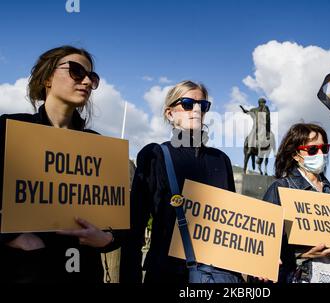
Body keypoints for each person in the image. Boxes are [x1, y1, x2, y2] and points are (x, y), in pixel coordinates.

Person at [0, 45, 120, 283]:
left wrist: (108, 240)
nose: (86, 81)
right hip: (25, 270)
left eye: (92, 77)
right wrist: (12, 237)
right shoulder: (8, 129)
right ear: (47, 78)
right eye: (76, 71)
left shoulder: (99, 145)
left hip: (85, 273)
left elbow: (115, 214)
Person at [120, 80, 241, 284]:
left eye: (203, 105)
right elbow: (135, 226)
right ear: (170, 113)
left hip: (215, 274)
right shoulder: (155, 154)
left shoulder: (221, 160)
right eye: (187, 104)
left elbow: (231, 222)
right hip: (166, 272)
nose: (196, 109)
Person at [261, 123, 330, 283]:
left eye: (324, 148)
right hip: (301, 277)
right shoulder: (281, 188)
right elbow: (262, 245)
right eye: (313, 149)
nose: (320, 154)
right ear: (295, 154)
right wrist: (301, 255)